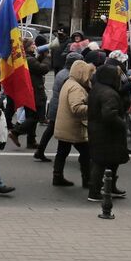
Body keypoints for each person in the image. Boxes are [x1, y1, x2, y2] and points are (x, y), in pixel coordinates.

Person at [86, 64, 131, 202]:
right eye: (117, 75)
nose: (119, 77)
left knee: (110, 161)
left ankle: (109, 187)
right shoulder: (108, 93)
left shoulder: (98, 88)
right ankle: (95, 192)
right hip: (107, 132)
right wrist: (122, 124)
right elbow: (109, 115)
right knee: (101, 162)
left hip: (99, 130)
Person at [51, 60, 95, 189]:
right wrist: (92, 109)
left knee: (62, 152)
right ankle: (87, 180)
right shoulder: (76, 87)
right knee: (86, 154)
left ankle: (57, 176)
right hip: (74, 126)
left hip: (65, 124)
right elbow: (76, 108)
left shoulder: (68, 83)